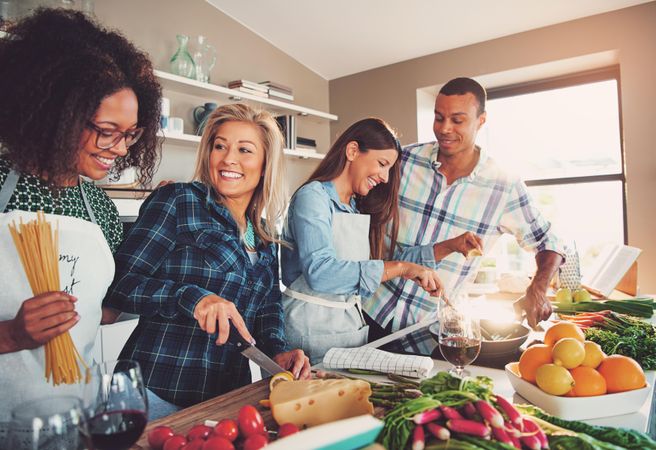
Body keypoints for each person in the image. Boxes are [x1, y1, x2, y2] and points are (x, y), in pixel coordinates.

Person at [0, 8, 161, 441]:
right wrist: (11, 335)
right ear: (57, 113)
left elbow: (100, 309)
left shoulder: (100, 208)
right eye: (106, 130)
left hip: (81, 420)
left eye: (130, 134)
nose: (119, 150)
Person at [105, 103, 311, 418]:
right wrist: (193, 298)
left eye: (245, 150)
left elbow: (268, 309)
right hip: (154, 392)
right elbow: (121, 285)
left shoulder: (264, 232)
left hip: (225, 398)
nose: (229, 158)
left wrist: (278, 351)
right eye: (220, 146)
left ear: (266, 163)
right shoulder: (178, 201)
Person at [365, 77, 564, 354]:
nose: (445, 128)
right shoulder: (403, 161)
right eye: (439, 117)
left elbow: (549, 241)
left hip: (430, 333)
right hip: (368, 313)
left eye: (457, 120)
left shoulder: (503, 186)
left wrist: (538, 289)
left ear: (480, 121)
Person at [281, 118, 481, 365]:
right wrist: (402, 268)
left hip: (347, 332)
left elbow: (384, 263)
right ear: (352, 151)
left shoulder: (352, 206)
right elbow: (320, 272)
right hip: (309, 334)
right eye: (382, 164)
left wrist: (449, 247)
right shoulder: (313, 198)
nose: (386, 177)